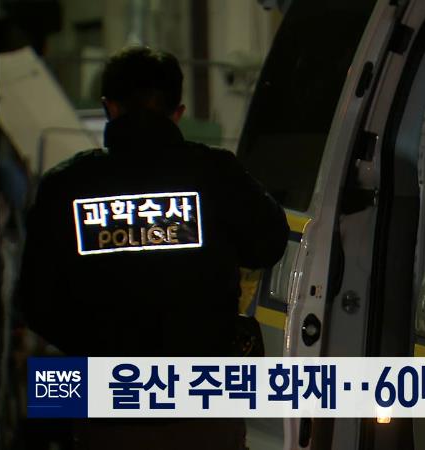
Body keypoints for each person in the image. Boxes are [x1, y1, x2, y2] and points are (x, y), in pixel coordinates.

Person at [18, 46, 289, 449]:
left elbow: (35, 302)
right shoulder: (215, 172)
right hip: (204, 405)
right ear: (177, 113)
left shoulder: (66, 185)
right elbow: (269, 243)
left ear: (109, 107)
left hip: (107, 410)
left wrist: (96, 345)